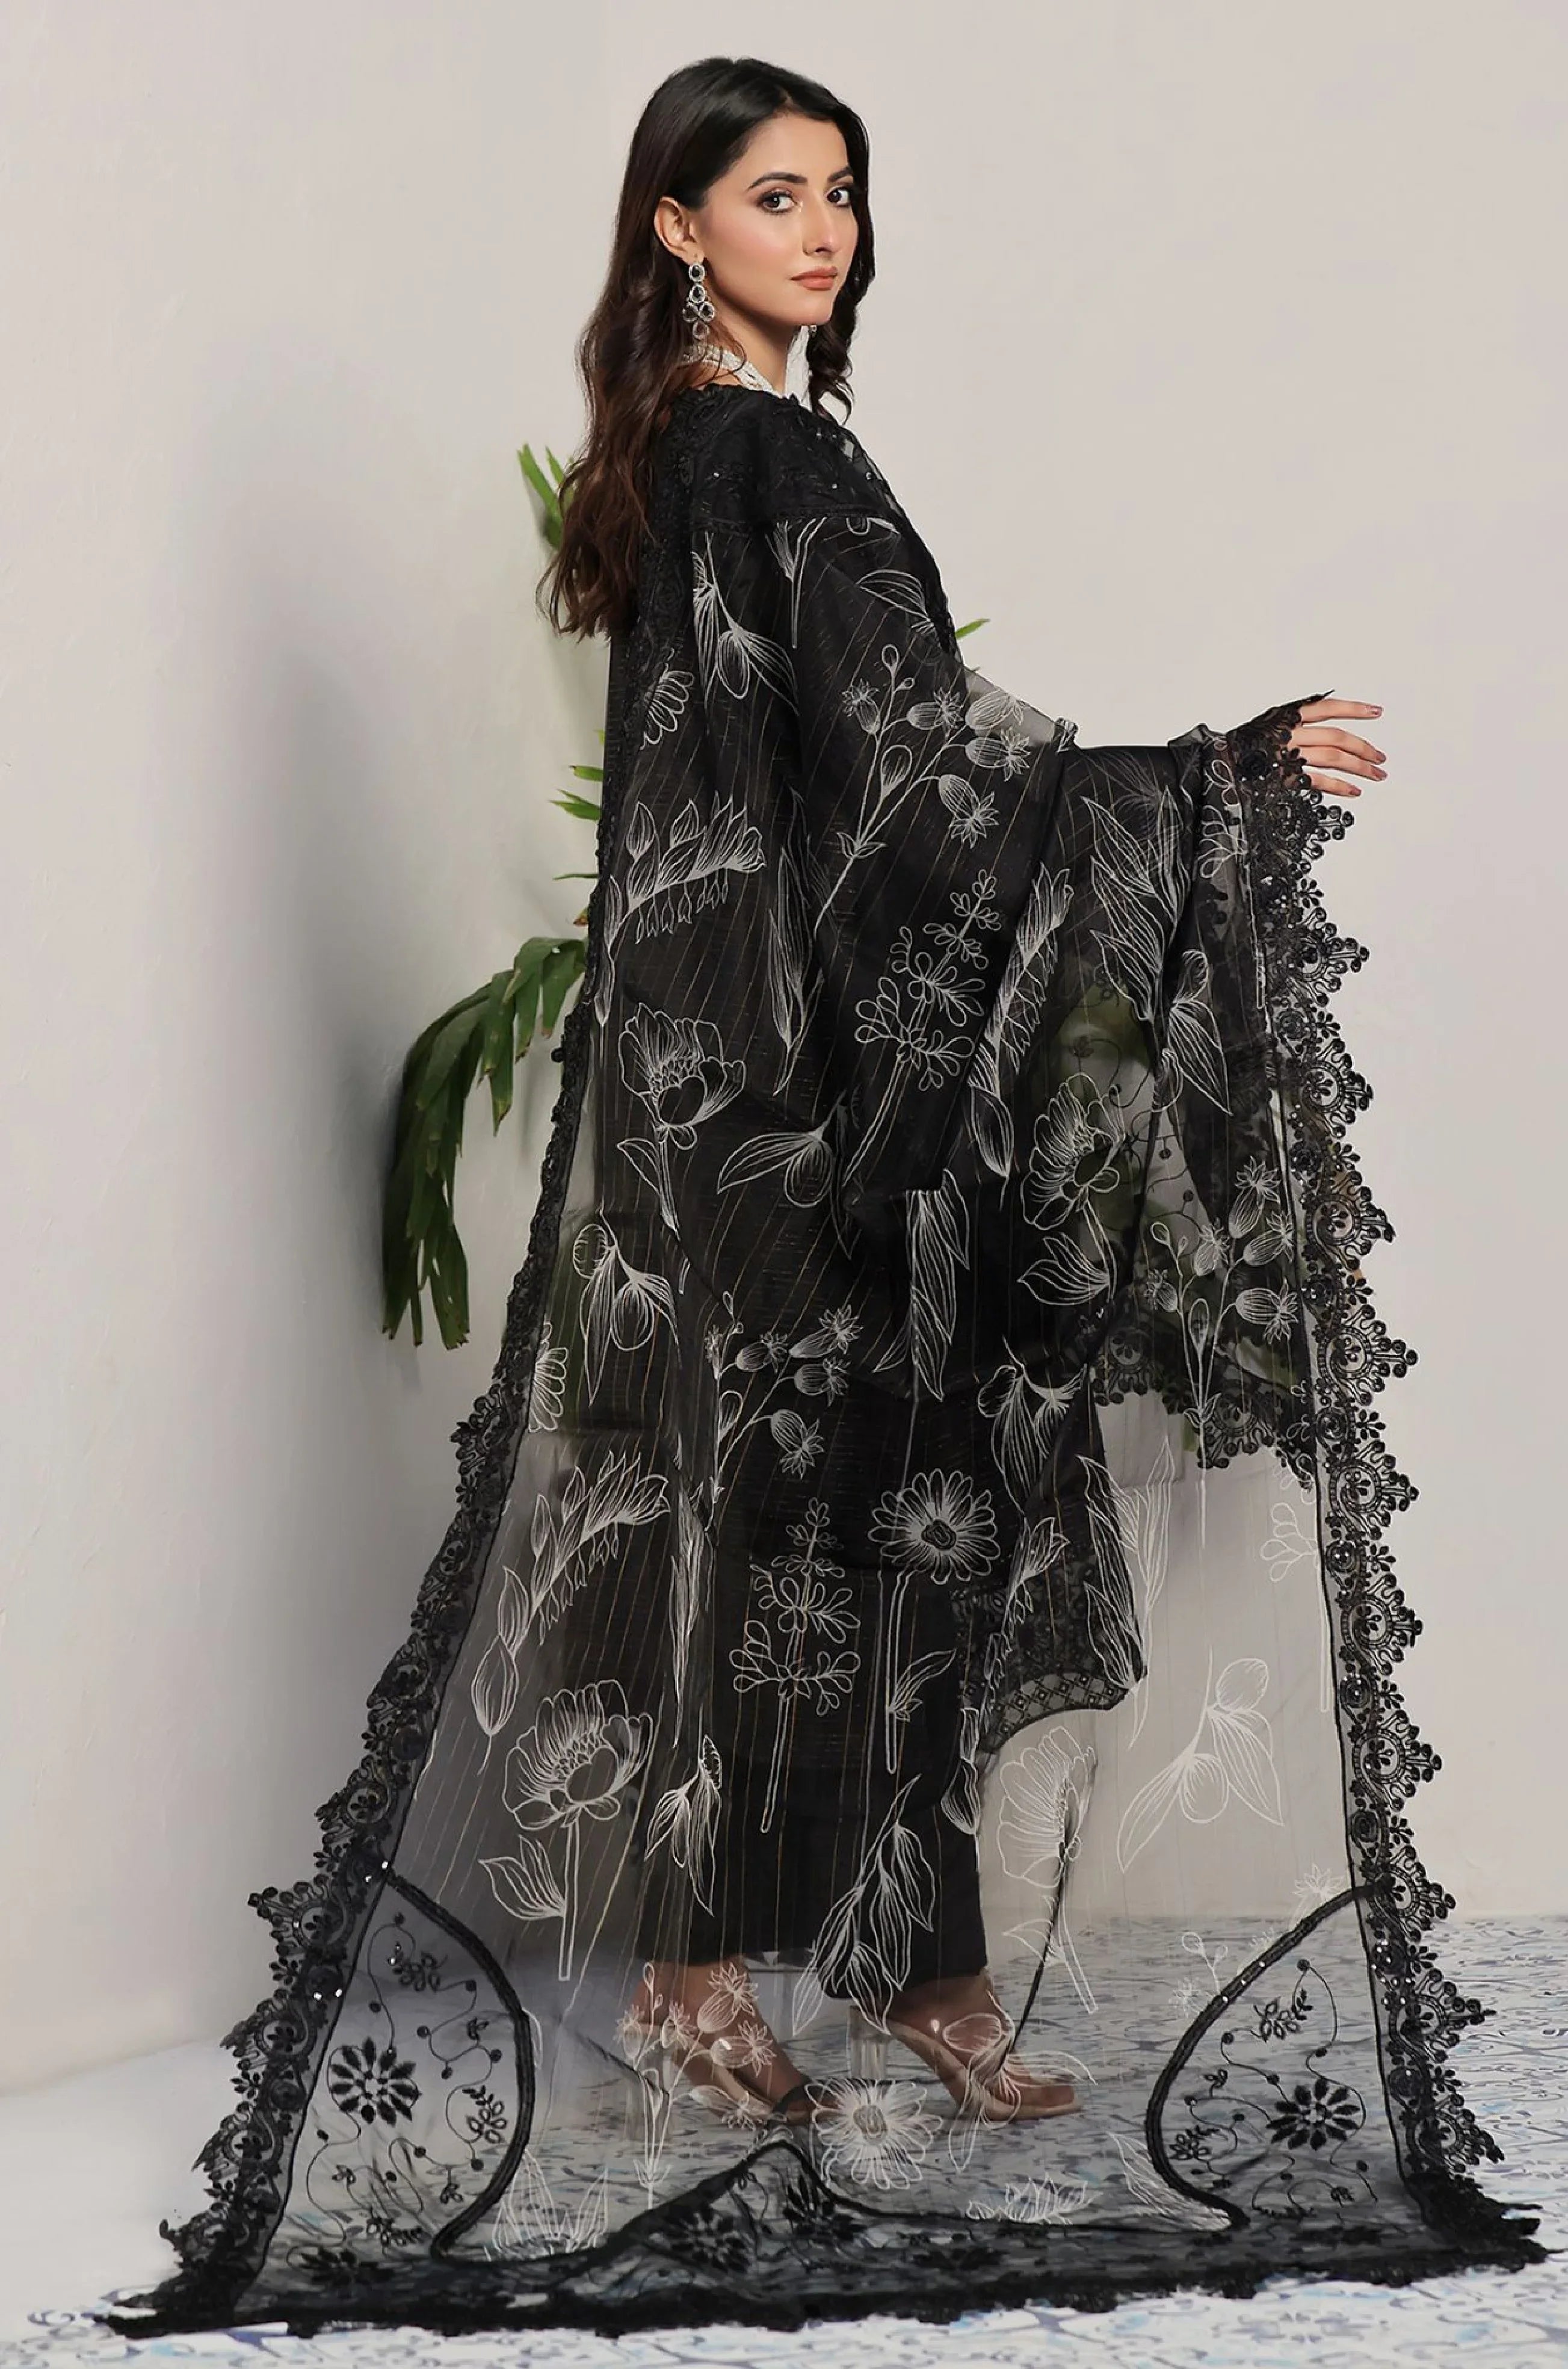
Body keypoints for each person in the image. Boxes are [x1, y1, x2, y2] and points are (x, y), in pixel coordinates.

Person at [104, 52, 1543, 2344]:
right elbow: (910, 770)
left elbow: (862, 758)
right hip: (808, 1108)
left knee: (831, 1512)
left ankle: (862, 1967)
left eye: (844, 191)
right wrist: (1206, 784)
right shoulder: (763, 453)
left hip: (735, 1089)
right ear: (676, 226)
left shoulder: (701, 454)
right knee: (845, 1514)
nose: (826, 228)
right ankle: (762, 1977)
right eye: (776, 194)